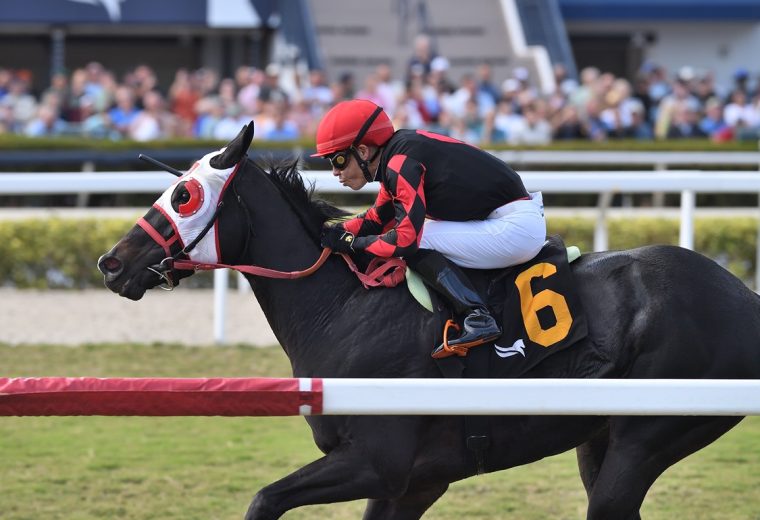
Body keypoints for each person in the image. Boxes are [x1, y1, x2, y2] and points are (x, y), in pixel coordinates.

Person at [313, 99, 546, 356]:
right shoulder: (398, 155)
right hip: (507, 220)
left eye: (338, 160)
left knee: (420, 239)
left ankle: (477, 316)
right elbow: (377, 218)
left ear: (363, 151)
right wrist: (328, 231)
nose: (335, 172)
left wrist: (352, 244)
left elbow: (405, 240)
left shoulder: (400, 163)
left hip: (515, 227)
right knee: (424, 232)